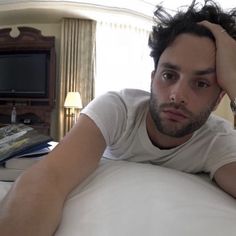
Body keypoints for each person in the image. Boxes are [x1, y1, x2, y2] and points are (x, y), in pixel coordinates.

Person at [1, 0, 236, 235]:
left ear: (218, 99)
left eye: (201, 83)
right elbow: (48, 178)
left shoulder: (216, 141)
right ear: (152, 79)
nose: (178, 95)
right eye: (168, 75)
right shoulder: (118, 110)